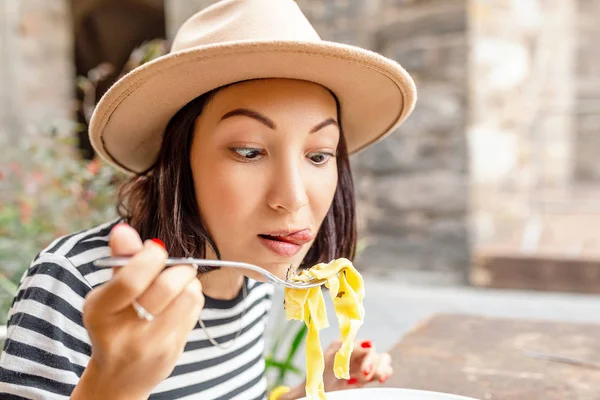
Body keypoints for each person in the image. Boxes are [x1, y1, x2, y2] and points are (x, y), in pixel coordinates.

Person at [0, 0, 416, 398]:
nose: (291, 198)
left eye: (319, 155)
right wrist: (111, 389)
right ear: (178, 160)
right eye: (249, 151)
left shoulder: (257, 274)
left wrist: (313, 390)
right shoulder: (77, 281)